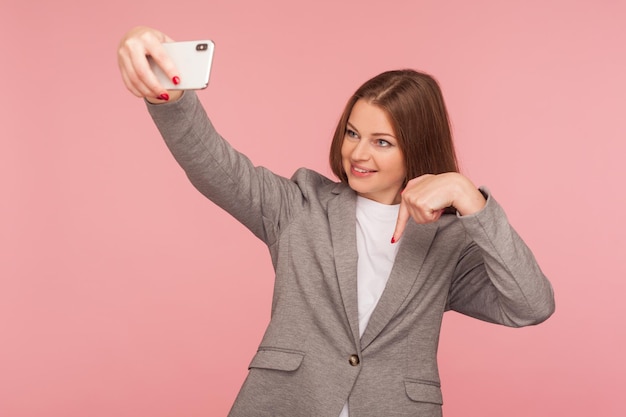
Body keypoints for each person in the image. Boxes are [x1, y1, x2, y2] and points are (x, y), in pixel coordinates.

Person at [117, 26, 555, 417]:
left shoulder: (450, 243)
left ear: (416, 148)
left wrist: (469, 198)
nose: (358, 154)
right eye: (352, 133)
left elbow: (531, 305)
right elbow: (215, 167)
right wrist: (169, 98)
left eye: (382, 142)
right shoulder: (299, 205)